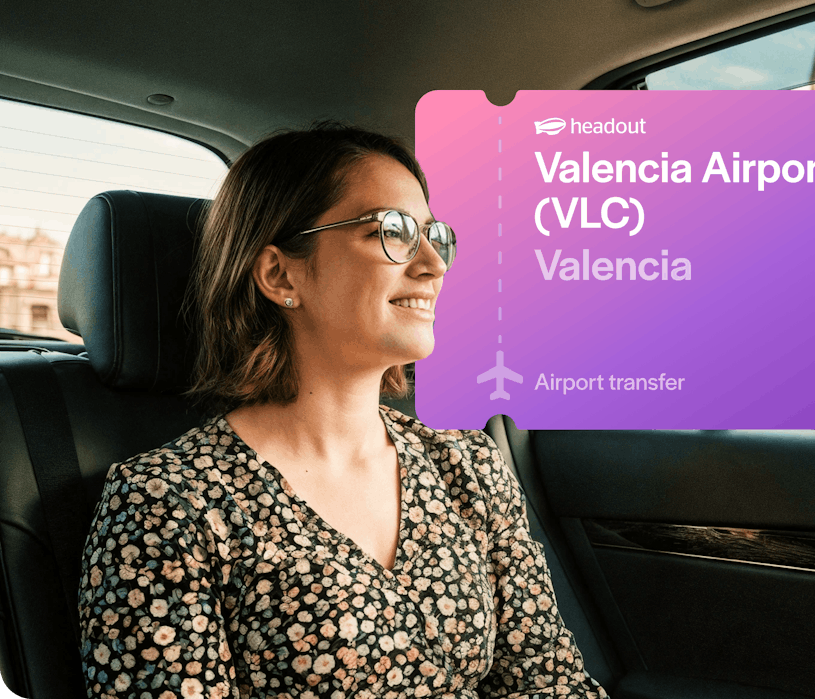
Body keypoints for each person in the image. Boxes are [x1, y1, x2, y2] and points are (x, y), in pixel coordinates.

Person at [78, 122, 609, 699]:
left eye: (434, 234)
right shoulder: (167, 503)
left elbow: (549, 682)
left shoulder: (469, 465)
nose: (434, 262)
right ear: (280, 274)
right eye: (394, 231)